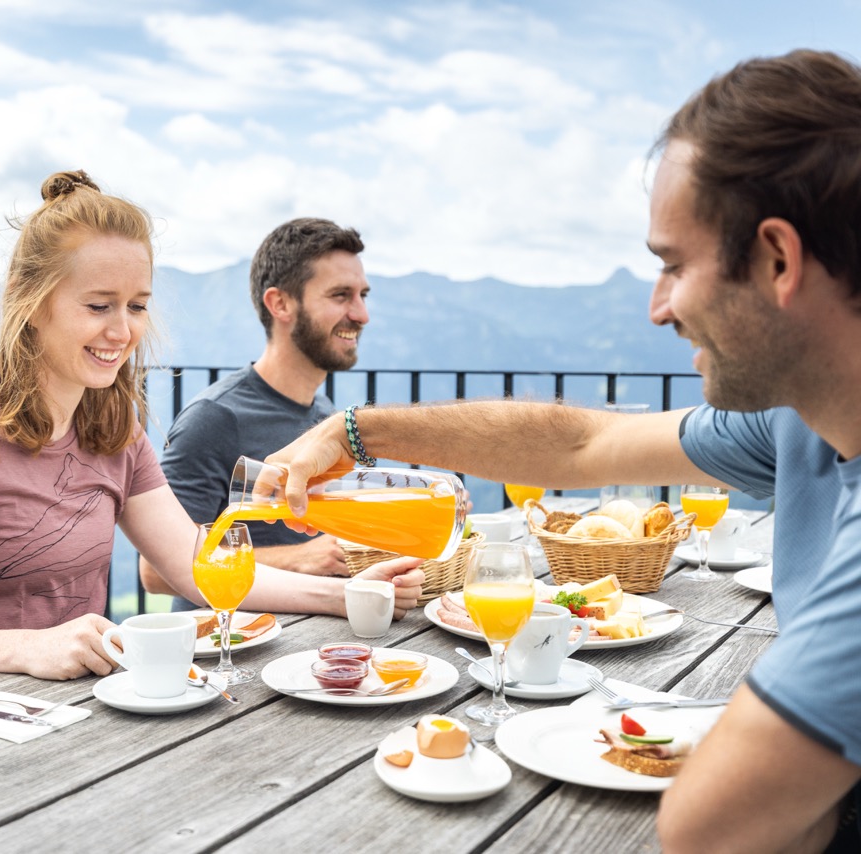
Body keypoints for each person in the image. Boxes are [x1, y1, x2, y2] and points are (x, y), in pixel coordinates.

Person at [266, 50, 861, 852]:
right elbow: (586, 442)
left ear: (779, 260)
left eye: (674, 266)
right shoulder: (801, 418)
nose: (658, 309)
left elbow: (710, 829)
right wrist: (351, 432)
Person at [0, 170, 424, 701]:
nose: (122, 331)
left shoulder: (114, 431)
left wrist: (347, 595)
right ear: (33, 303)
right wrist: (22, 648)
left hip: (75, 712)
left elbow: (195, 561)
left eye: (138, 306)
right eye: (99, 305)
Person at [139, 218, 369, 608]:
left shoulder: (325, 415)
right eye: (340, 295)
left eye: (363, 295)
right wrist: (300, 560)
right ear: (280, 303)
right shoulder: (214, 418)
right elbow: (157, 572)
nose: (361, 314)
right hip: (231, 650)